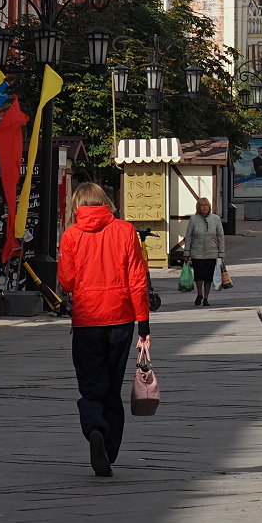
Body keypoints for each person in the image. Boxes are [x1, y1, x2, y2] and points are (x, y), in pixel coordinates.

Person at [57, 182, 150, 478]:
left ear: (77, 205)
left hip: (86, 321)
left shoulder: (71, 235)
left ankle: (94, 427)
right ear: (105, 201)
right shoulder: (125, 231)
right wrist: (144, 326)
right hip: (121, 320)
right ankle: (109, 450)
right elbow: (138, 280)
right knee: (112, 388)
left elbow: (67, 281)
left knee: (90, 388)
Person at [182, 197, 225, 306]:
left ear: (209, 206)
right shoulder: (193, 219)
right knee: (199, 275)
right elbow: (188, 236)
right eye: (202, 205)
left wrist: (221, 253)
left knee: (208, 277)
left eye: (206, 205)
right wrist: (187, 252)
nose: (204, 207)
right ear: (198, 207)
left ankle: (206, 298)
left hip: (212, 252)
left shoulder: (216, 219)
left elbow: (220, 236)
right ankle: (199, 294)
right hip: (197, 252)